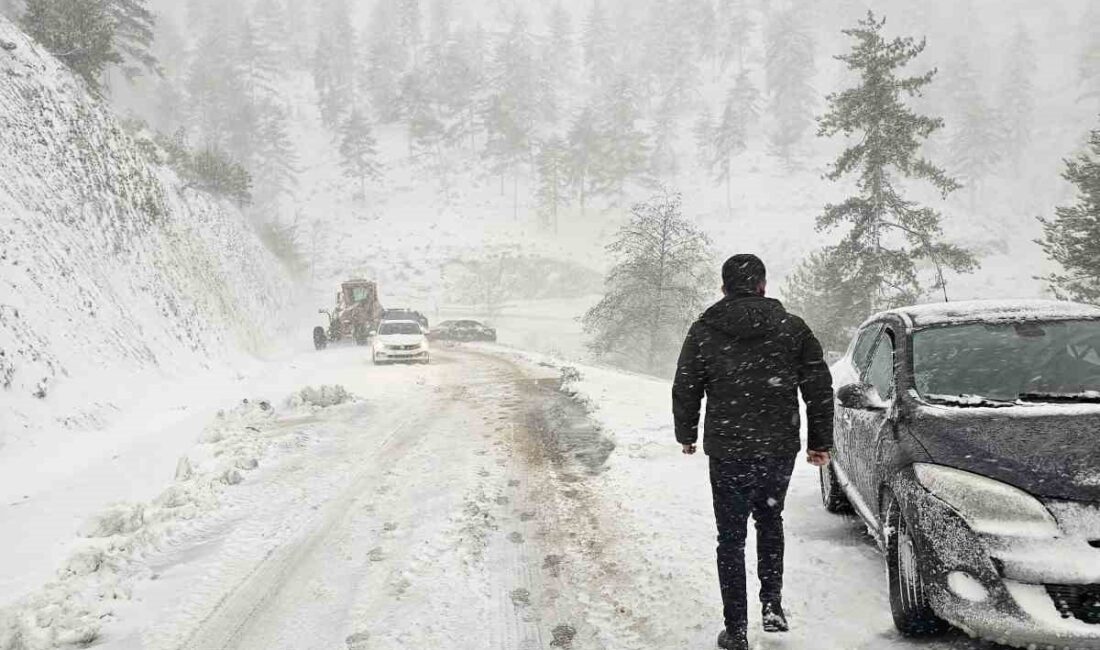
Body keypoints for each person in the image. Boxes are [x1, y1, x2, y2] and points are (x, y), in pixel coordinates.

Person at [672, 254, 834, 650]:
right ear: (762, 285)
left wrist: (687, 433)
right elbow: (818, 388)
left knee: (730, 537)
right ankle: (772, 605)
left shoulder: (705, 331)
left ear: (724, 287)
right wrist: (818, 443)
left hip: (728, 448)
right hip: (777, 447)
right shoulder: (792, 329)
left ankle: (736, 629)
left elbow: (686, 385)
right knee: (770, 519)